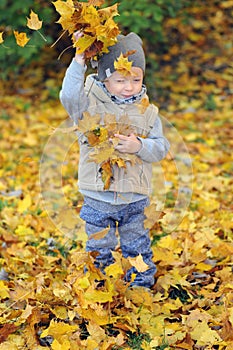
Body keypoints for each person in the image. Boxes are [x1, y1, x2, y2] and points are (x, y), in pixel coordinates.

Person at [60, 32, 170, 288]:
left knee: (137, 246)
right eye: (120, 79)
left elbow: (161, 148)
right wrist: (78, 59)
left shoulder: (148, 112)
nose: (129, 86)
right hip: (99, 197)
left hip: (135, 198)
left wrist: (140, 145)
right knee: (100, 246)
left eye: (136, 79)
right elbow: (68, 96)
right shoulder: (86, 105)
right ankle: (100, 288)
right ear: (104, 78)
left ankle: (140, 286)